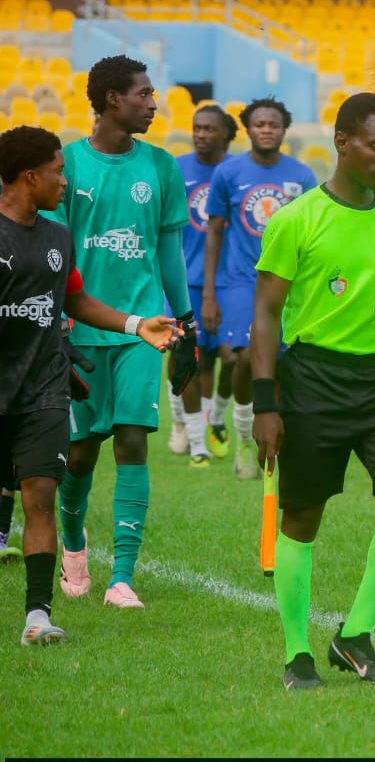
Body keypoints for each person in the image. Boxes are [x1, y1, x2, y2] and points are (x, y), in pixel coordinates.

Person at [250, 92, 375, 690]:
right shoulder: (296, 220)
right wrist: (266, 403)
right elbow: (265, 315)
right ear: (343, 143)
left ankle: (354, 634)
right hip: (311, 378)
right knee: (303, 517)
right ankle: (296, 654)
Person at [0, 126, 180, 645]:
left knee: (39, 492)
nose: (64, 179)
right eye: (56, 171)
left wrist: (133, 324)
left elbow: (74, 299)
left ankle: (38, 615)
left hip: (42, 386)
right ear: (29, 176)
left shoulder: (58, 239)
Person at [49, 54, 200, 610]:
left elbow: (168, 251)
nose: (153, 104)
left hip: (145, 329)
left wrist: (186, 324)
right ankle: (72, 546)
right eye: (144, 94)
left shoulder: (160, 166)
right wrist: (59, 327)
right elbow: (57, 257)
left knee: (133, 440)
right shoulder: (66, 166)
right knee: (82, 452)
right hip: (81, 329)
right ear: (113, 99)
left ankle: (123, 577)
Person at [202, 97, 316, 479]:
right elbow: (214, 233)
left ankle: (276, 443)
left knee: (280, 364)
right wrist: (209, 293)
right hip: (239, 280)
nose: (267, 130)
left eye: (274, 124)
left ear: (284, 130)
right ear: (248, 129)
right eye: (259, 124)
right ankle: (245, 437)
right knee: (245, 356)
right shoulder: (227, 173)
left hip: (286, 281)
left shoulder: (302, 176)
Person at [166, 103, 237, 466]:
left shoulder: (235, 170)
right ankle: (186, 428)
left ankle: (211, 421)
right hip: (183, 279)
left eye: (209, 129)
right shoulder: (177, 168)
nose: (201, 135)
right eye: (196, 128)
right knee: (182, 353)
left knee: (221, 358)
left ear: (225, 132)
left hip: (228, 282)